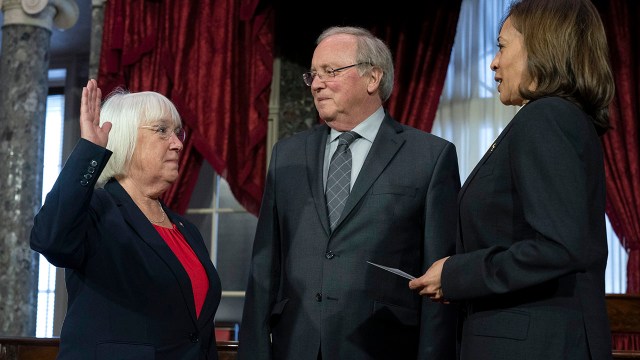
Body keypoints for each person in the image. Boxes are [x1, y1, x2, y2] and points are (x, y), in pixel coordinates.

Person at [409, 0, 615, 359]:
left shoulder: (546, 117)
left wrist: (456, 275)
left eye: (502, 46)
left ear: (541, 47)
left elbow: (558, 247)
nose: (493, 62)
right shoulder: (559, 118)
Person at [239, 26, 460, 360]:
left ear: (372, 79)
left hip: (382, 347)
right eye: (313, 74)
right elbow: (264, 267)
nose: (316, 83)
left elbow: (438, 276)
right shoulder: (287, 154)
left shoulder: (430, 156)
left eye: (331, 71)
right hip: (295, 345)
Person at [30, 79, 222, 359]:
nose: (177, 144)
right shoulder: (97, 209)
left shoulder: (187, 231)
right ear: (126, 138)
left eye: (178, 133)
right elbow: (48, 238)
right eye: (162, 130)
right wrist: (88, 151)